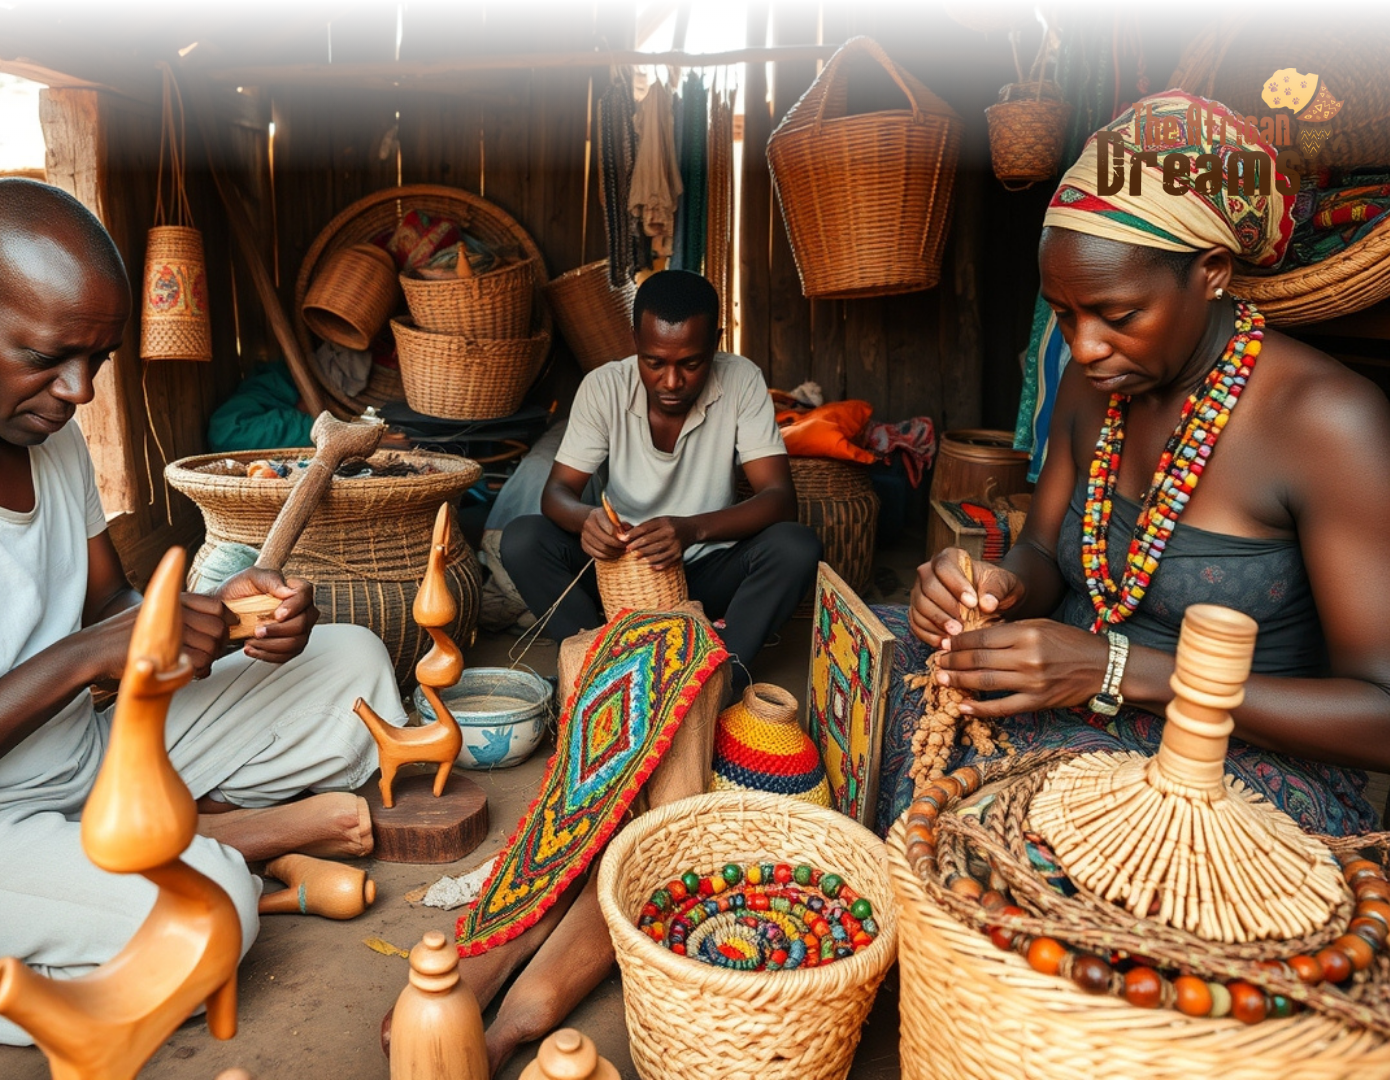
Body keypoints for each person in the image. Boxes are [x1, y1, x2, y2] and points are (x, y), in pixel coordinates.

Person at [0, 179, 406, 1042]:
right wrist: (79, 660)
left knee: (353, 667)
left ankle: (153, 853)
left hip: (79, 758)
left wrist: (217, 617)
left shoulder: (44, 430)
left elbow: (113, 605)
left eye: (97, 361)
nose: (78, 391)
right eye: (47, 356)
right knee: (205, 918)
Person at [879, 91, 1390, 837]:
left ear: (1211, 271)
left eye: (1118, 316)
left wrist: (1116, 669)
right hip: (1072, 696)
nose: (1084, 347)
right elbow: (1041, 552)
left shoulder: (1327, 421)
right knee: (885, 669)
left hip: (1227, 758)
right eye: (1064, 315)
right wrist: (995, 589)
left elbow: (1380, 714)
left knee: (1016, 839)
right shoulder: (1095, 384)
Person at [501, 269, 820, 677]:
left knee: (796, 547)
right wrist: (587, 520)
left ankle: (718, 680)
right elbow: (557, 492)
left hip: (704, 571)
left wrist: (691, 530)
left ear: (715, 342)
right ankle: (599, 669)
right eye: (654, 362)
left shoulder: (741, 380)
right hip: (618, 573)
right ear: (635, 340)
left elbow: (779, 498)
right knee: (523, 539)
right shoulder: (604, 387)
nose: (671, 381)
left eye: (691, 363)